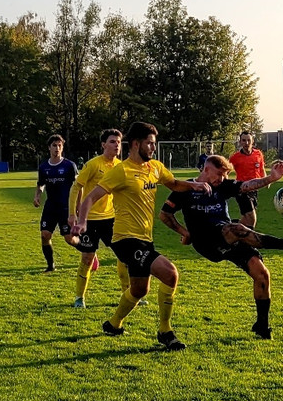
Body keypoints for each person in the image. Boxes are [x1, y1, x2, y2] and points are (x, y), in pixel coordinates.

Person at [72, 121, 212, 351]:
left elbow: (173, 184)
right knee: (170, 274)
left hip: (145, 238)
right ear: (136, 144)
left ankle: (113, 324)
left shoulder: (155, 167)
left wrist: (193, 186)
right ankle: (165, 332)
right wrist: (81, 221)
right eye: (150, 143)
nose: (153, 148)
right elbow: (90, 198)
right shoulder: (121, 171)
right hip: (125, 239)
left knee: (139, 290)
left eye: (154, 143)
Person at [160, 155, 283, 339]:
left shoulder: (222, 186)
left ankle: (262, 326)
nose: (223, 178)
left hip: (228, 236)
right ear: (206, 169)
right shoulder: (186, 188)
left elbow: (247, 185)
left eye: (226, 174)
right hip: (206, 242)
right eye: (220, 174)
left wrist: (271, 178)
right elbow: (165, 214)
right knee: (235, 228)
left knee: (261, 273)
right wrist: (185, 232)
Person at [68, 128, 126, 307]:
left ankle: (129, 294)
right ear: (103, 145)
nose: (116, 145)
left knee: (124, 256)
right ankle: (79, 298)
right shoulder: (93, 164)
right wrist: (73, 214)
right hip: (90, 219)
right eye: (112, 142)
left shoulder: (121, 166)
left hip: (111, 219)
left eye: (118, 142)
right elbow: (76, 187)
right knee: (87, 258)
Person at [34, 134, 78, 272]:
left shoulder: (69, 166)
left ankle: (88, 249)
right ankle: (50, 265)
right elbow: (41, 184)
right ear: (49, 147)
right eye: (54, 145)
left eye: (60, 145)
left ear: (62, 148)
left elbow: (78, 186)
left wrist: (77, 206)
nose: (57, 148)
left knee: (69, 239)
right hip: (50, 207)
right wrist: (37, 196)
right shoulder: (43, 167)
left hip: (65, 207)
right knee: (45, 235)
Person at [228, 130, 266, 228]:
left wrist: (266, 181)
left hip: (254, 189)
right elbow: (226, 172)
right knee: (251, 218)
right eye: (244, 140)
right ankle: (249, 236)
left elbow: (262, 168)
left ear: (253, 141)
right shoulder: (235, 157)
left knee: (246, 218)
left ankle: (229, 228)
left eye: (248, 140)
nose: (246, 143)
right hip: (242, 190)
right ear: (240, 142)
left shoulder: (258, 154)